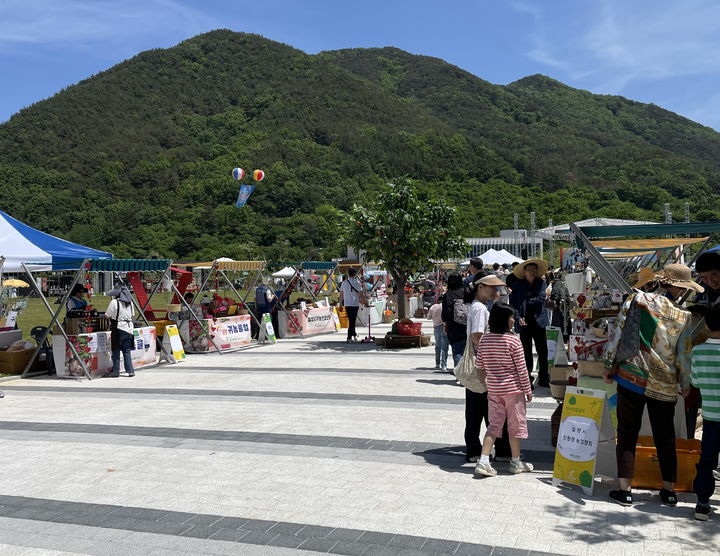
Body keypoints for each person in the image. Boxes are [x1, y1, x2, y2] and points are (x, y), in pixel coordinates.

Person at [603, 264, 701, 507]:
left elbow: (618, 334)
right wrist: (685, 383)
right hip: (664, 383)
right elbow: (684, 355)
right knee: (665, 436)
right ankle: (669, 491)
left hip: (631, 375)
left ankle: (625, 490)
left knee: (627, 433)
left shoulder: (636, 300)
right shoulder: (683, 316)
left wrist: (608, 365)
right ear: (679, 287)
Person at [473, 303, 534, 476]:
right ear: (504, 319)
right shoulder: (513, 340)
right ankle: (515, 462)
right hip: (513, 390)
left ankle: (483, 460)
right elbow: (522, 369)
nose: (514, 320)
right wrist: (528, 390)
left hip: (494, 390)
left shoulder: (484, 339)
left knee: (494, 426)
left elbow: (480, 365)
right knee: (515, 426)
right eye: (512, 317)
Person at [464, 273, 512, 463]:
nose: (496, 291)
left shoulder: (480, 307)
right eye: (493, 288)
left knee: (478, 410)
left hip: (479, 366)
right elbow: (477, 336)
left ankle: (478, 449)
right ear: (481, 287)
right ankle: (489, 450)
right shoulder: (480, 309)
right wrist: (491, 354)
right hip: (481, 368)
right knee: (487, 410)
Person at [691, 303, 720, 521]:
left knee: (707, 460)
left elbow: (695, 382)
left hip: (710, 415)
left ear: (707, 325)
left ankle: (702, 504)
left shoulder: (698, 351)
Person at [508, 259, 550, 388]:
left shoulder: (541, 283)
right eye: (529, 270)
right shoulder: (517, 285)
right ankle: (527, 379)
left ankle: (544, 377)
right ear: (524, 271)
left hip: (539, 321)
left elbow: (541, 299)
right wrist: (518, 316)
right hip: (524, 321)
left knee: (542, 351)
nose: (532, 272)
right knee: (525, 352)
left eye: (534, 270)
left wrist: (524, 302)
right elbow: (513, 304)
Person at [105, 284, 136, 378]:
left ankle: (116, 372)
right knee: (126, 350)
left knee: (116, 350)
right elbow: (133, 315)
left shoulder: (114, 302)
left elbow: (107, 315)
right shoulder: (130, 303)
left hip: (118, 328)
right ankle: (130, 370)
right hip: (129, 328)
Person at [442, 273, 466, 367]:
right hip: (467, 325)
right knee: (465, 350)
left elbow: (445, 313)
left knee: (456, 351)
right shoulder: (467, 292)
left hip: (453, 326)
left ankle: (459, 373)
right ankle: (465, 371)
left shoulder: (448, 295)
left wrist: (445, 324)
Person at [427, 287, 448, 371]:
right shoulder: (446, 306)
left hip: (436, 327)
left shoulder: (433, 307)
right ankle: (444, 365)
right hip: (444, 326)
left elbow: (428, 317)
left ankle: (437, 363)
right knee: (445, 347)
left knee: (438, 346)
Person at [339, 268, 361, 343]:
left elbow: (341, 294)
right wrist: (364, 301)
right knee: (352, 320)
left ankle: (354, 334)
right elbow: (360, 294)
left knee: (351, 320)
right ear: (355, 274)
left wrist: (340, 303)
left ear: (348, 274)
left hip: (347, 304)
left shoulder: (344, 283)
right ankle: (349, 337)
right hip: (355, 303)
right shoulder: (357, 283)